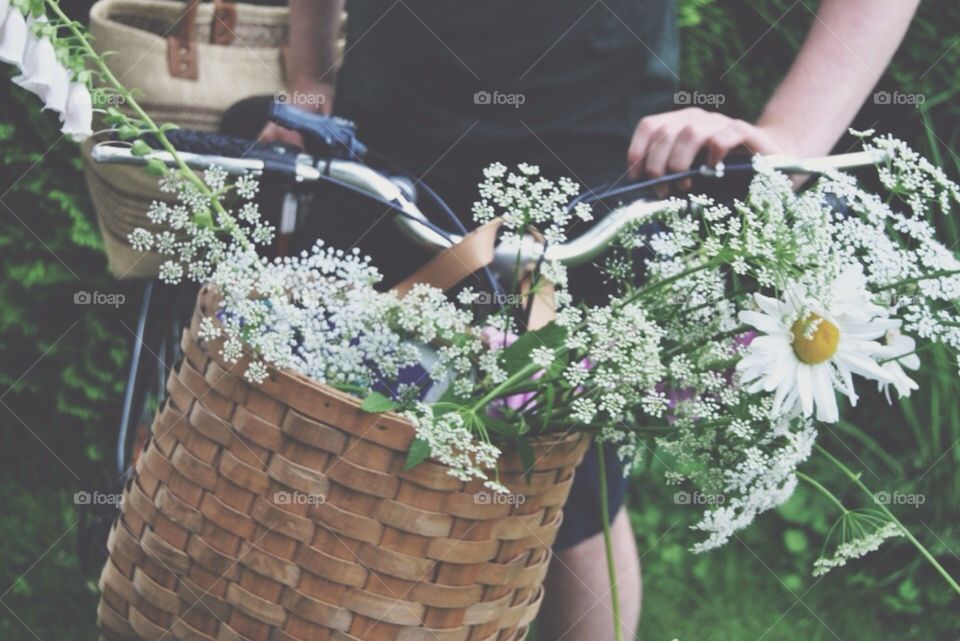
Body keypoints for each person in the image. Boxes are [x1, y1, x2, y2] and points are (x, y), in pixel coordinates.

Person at [260, 2, 919, 638]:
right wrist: (313, 78)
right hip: (383, 126)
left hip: (587, 154)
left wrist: (790, 139)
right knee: (329, 439)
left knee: (567, 490)